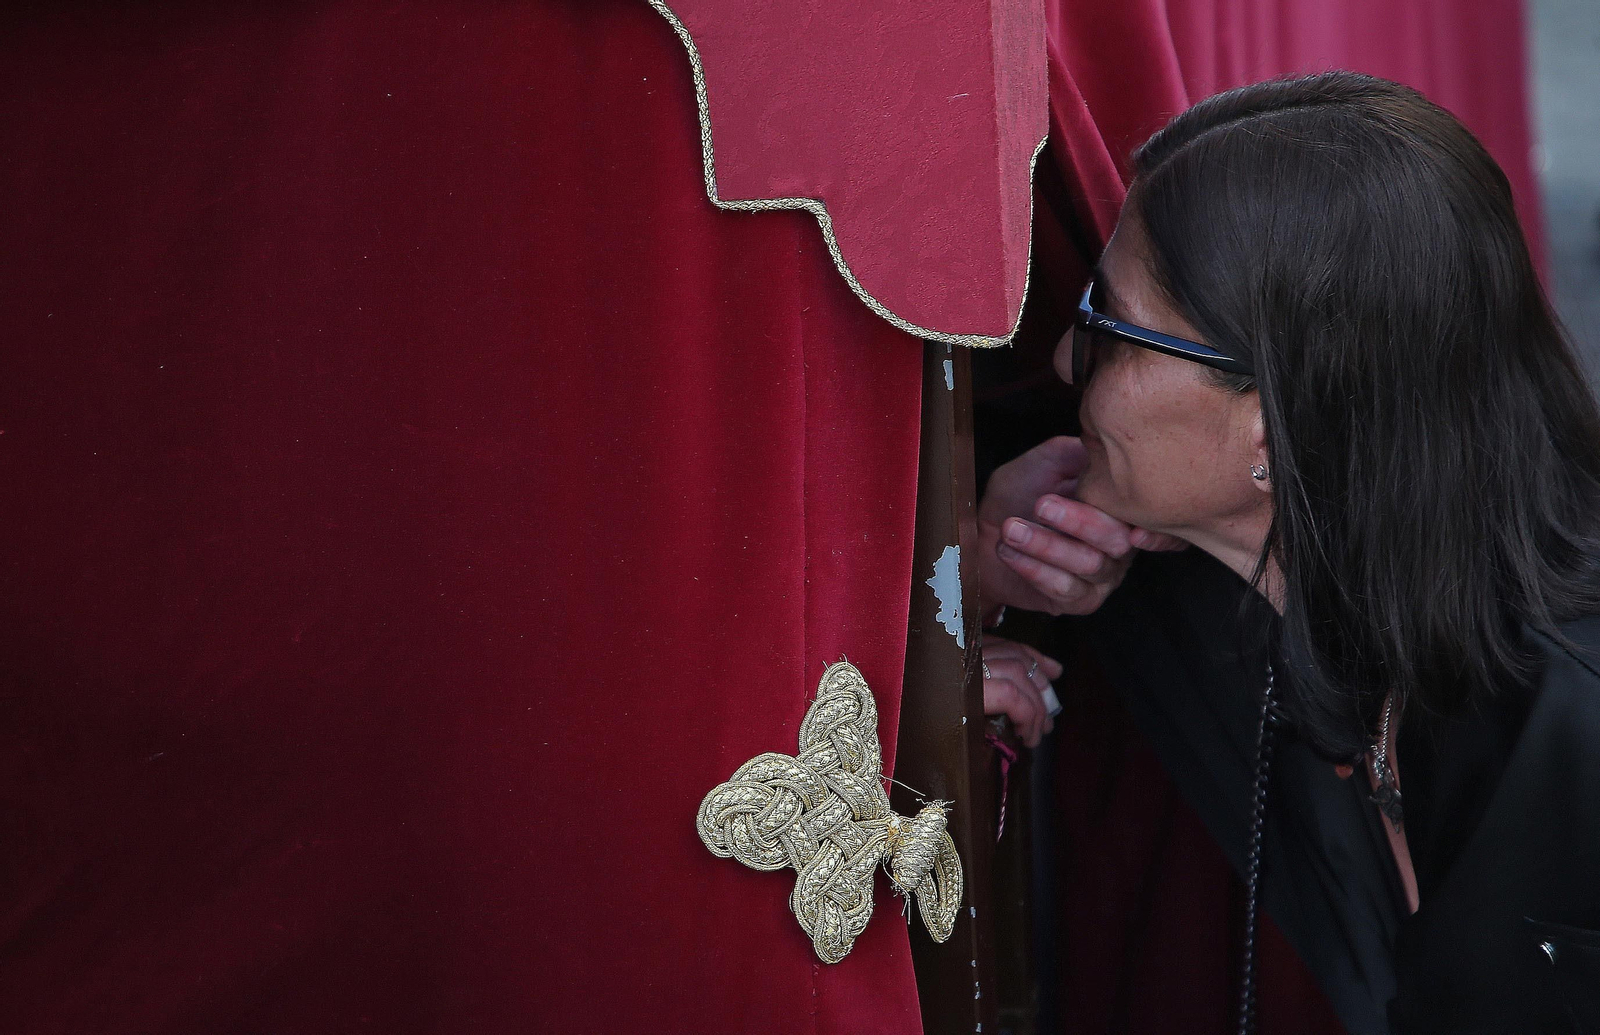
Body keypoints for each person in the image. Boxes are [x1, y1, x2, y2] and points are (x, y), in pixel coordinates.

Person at [975, 70, 1600, 1033]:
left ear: (1277, 425)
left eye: (1107, 325)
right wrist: (980, 562)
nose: (1065, 357)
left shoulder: (1574, 739)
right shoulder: (1269, 579)